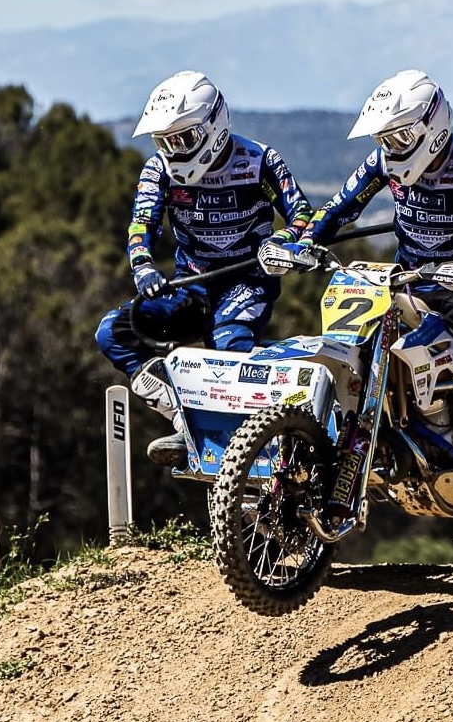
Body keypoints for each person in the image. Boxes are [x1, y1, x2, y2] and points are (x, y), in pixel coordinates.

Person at [289, 69, 453, 471]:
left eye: (400, 138)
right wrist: (305, 242)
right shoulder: (381, 161)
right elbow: (340, 206)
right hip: (406, 284)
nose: (391, 148)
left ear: (433, 128)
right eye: (385, 139)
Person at [95, 70, 315, 466]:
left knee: (228, 343)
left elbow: (300, 212)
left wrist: (283, 242)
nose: (173, 151)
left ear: (213, 127)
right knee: (114, 331)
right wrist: (143, 267)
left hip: (249, 280)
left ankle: (271, 432)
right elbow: (142, 222)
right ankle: (186, 418)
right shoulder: (158, 169)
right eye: (164, 141)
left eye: (182, 139)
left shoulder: (259, 160)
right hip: (191, 284)